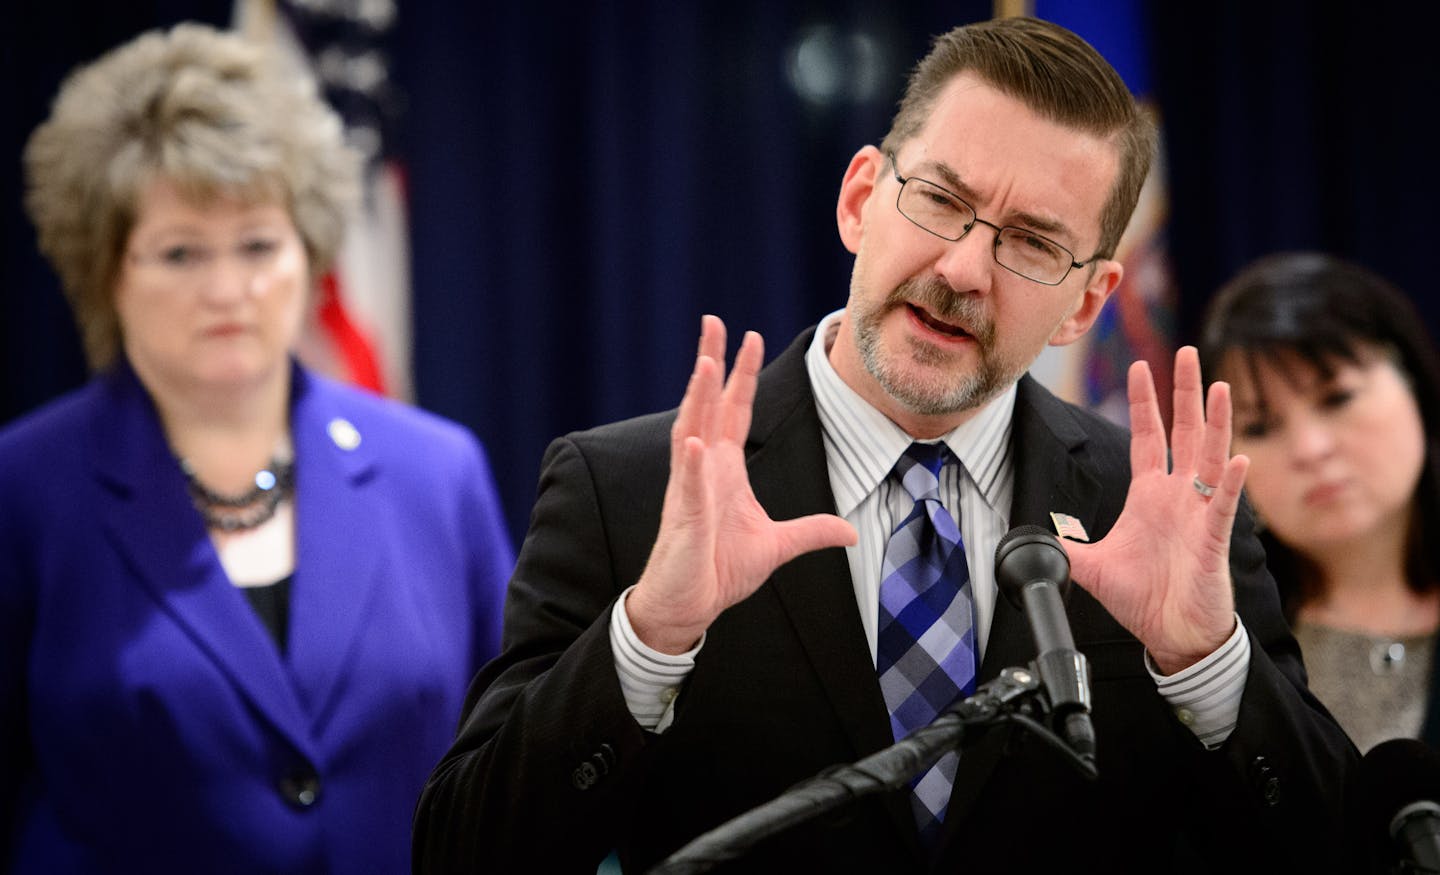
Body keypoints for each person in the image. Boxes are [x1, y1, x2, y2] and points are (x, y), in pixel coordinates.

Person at [414, 17, 1356, 873]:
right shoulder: (627, 489)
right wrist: (649, 639)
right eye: (941, 201)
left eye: (1032, 243)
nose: (961, 270)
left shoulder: (1164, 508)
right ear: (862, 197)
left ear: (1089, 302)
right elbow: (465, 852)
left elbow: (1343, 851)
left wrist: (1206, 666)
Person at [0, 23, 513, 874]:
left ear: (309, 254)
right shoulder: (23, 489)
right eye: (179, 252)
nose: (228, 289)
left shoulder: (437, 471)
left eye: (258, 245)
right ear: (105, 269)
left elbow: (512, 760)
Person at [1198, 252, 1440, 755]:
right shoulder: (1223, 643)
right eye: (1261, 427)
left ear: (1412, 382)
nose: (1310, 449)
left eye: (1337, 398)